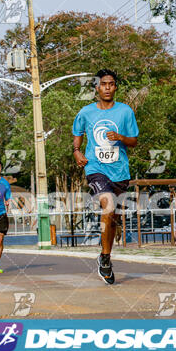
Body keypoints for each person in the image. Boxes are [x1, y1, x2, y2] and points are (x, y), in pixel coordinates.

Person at [72, 68, 139, 285]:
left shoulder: (125, 111)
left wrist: (120, 137)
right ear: (96, 88)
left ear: (115, 87)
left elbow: (134, 141)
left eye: (111, 84)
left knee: (113, 221)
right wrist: (77, 151)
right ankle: (106, 260)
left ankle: (104, 256)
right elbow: (78, 133)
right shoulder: (86, 112)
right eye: (103, 84)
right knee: (107, 205)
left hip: (120, 172)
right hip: (96, 168)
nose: (107, 88)